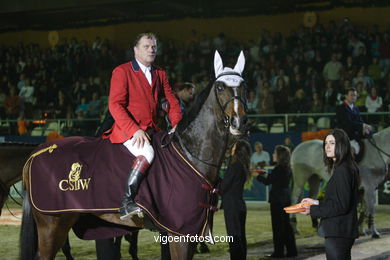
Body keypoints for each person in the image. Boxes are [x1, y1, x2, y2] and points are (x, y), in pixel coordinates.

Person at [103, 32, 182, 220]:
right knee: (147, 153)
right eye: (146, 46)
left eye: (153, 46)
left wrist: (177, 123)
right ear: (135, 50)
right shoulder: (122, 71)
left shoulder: (160, 73)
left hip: (154, 129)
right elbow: (115, 105)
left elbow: (171, 100)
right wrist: (134, 130)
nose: (151, 49)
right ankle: (126, 202)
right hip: (128, 131)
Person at [300, 129, 360, 260]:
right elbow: (340, 200)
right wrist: (315, 202)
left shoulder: (343, 170)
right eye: (326, 143)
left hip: (338, 232)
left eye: (332, 143)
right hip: (342, 231)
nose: (327, 146)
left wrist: (313, 210)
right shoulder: (345, 167)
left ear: (341, 145)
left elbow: (341, 206)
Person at [253, 145, 297, 258]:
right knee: (286, 225)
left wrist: (257, 176)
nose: (273, 155)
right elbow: (274, 179)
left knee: (278, 227)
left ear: (280, 156)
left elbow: (268, 181)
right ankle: (292, 250)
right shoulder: (287, 167)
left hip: (278, 200)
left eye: (275, 153)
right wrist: (264, 173)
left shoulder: (279, 168)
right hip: (285, 198)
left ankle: (279, 252)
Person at [220, 139, 251, 260]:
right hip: (239, 205)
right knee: (241, 236)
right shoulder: (242, 165)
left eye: (234, 147)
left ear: (237, 151)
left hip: (232, 206)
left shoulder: (234, 166)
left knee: (234, 237)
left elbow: (223, 187)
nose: (231, 148)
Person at [335, 87, 372, 155]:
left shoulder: (356, 108)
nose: (354, 97)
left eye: (355, 95)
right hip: (344, 137)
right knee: (352, 150)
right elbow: (348, 123)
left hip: (355, 136)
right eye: (351, 95)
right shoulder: (341, 108)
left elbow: (360, 121)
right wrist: (362, 126)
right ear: (346, 96)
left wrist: (364, 128)